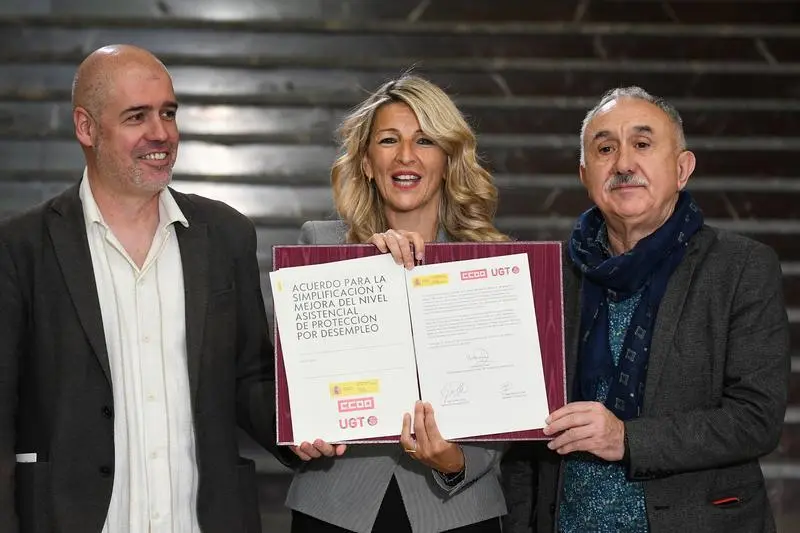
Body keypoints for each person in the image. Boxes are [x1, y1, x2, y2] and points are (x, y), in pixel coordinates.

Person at [0, 44, 278, 532]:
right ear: (86, 128)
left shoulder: (227, 234)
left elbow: (251, 379)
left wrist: (316, 424)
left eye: (168, 113)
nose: (161, 133)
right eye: (137, 116)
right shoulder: (21, 247)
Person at [505, 86, 790, 532]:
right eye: (605, 149)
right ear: (584, 174)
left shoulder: (740, 268)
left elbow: (757, 418)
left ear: (682, 169)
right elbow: (522, 440)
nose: (623, 164)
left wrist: (627, 438)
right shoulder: (551, 275)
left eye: (642, 144)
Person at [285, 74, 509, 533]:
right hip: (336, 507)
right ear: (368, 163)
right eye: (389, 140)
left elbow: (508, 398)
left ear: (447, 160)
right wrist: (367, 263)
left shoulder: (491, 262)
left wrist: (456, 461)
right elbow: (288, 383)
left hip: (458, 509)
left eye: (425, 140)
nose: (406, 155)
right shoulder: (319, 248)